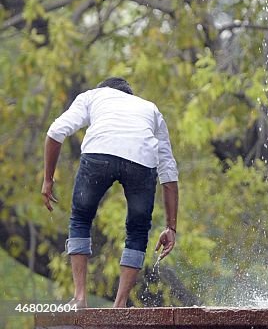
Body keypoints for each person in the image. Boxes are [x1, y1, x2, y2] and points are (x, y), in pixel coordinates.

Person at [41, 77, 178, 308]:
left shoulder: (93, 96)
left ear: (104, 90)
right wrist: (171, 227)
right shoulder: (150, 109)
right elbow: (169, 171)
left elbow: (55, 132)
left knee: (81, 218)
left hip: (99, 154)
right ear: (129, 96)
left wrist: (47, 179)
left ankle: (80, 298)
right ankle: (120, 304)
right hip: (141, 161)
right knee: (137, 231)